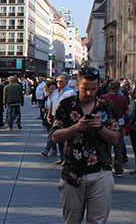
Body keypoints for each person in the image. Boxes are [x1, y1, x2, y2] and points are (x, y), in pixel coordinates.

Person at [51, 67, 119, 224]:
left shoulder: (107, 106)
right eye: (85, 89)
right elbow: (55, 136)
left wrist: (100, 127)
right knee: (71, 220)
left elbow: (115, 139)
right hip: (73, 172)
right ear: (77, 85)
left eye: (93, 89)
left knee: (97, 221)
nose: (89, 93)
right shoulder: (67, 105)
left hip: (101, 170)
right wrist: (76, 128)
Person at [41, 76, 74, 161]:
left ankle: (47, 149)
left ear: (66, 83)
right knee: (58, 138)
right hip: (54, 116)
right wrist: (48, 116)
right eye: (58, 81)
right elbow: (51, 104)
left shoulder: (70, 92)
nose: (59, 83)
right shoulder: (55, 92)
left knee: (54, 134)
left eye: (61, 81)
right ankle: (62, 157)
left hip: (64, 118)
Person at [101, 81, 130, 177]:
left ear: (109, 88)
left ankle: (107, 166)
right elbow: (126, 111)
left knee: (107, 146)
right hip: (119, 123)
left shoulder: (104, 97)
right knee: (118, 146)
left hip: (107, 124)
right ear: (118, 89)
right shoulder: (122, 98)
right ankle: (119, 169)